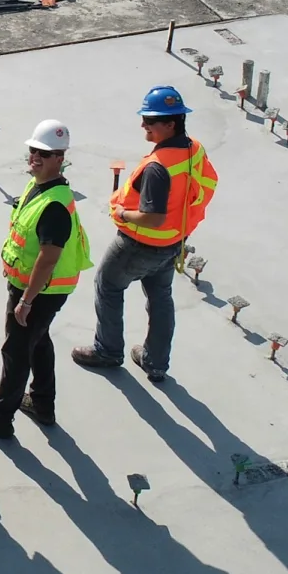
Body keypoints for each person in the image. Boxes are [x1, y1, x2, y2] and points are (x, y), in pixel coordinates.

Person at [73, 86, 218, 384]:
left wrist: (122, 214)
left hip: (139, 245)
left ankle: (108, 351)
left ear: (170, 124)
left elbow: (152, 217)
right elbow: (202, 187)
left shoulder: (157, 168)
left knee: (108, 286)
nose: (144, 125)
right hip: (173, 242)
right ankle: (156, 363)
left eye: (150, 120)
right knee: (161, 297)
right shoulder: (194, 149)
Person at [0, 121, 92, 439]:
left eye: (44, 153)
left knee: (16, 349)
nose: (35, 157)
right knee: (38, 341)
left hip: (40, 291)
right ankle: (42, 403)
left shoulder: (54, 206)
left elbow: (48, 257)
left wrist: (26, 300)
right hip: (36, 288)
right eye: (33, 150)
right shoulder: (40, 187)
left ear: (59, 157)